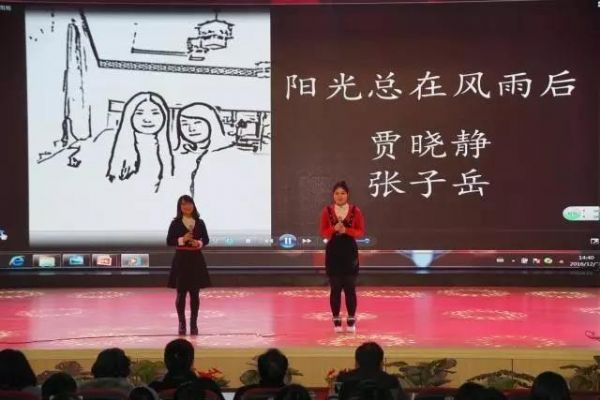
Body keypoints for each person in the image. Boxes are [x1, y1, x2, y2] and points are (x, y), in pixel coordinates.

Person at [319, 180, 365, 333]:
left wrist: (347, 231)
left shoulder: (355, 211)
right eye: (337, 193)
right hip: (333, 254)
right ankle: (336, 321)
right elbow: (323, 232)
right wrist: (334, 229)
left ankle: (351, 320)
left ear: (348, 195)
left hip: (349, 253)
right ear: (333, 195)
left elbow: (360, 232)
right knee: (335, 288)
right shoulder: (327, 211)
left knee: (350, 288)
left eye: (343, 193)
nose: (340, 196)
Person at [106, 91, 174, 193]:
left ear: (164, 116)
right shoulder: (118, 146)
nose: (147, 119)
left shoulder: (166, 151)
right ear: (130, 116)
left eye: (155, 113)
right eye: (139, 113)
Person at [167, 195, 210, 335]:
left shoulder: (200, 222)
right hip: (181, 260)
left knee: (195, 294)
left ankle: (193, 324)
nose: (187, 207)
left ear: (193, 205)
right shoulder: (175, 223)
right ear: (180, 207)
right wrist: (182, 239)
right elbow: (169, 241)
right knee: (181, 293)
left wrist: (198, 243)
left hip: (195, 260)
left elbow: (206, 239)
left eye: (189, 204)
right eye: (184, 204)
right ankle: (182, 324)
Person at [336, 342, 404, 400]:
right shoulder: (391, 381)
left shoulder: (342, 379)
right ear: (381, 363)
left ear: (356, 363)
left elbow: (333, 398)